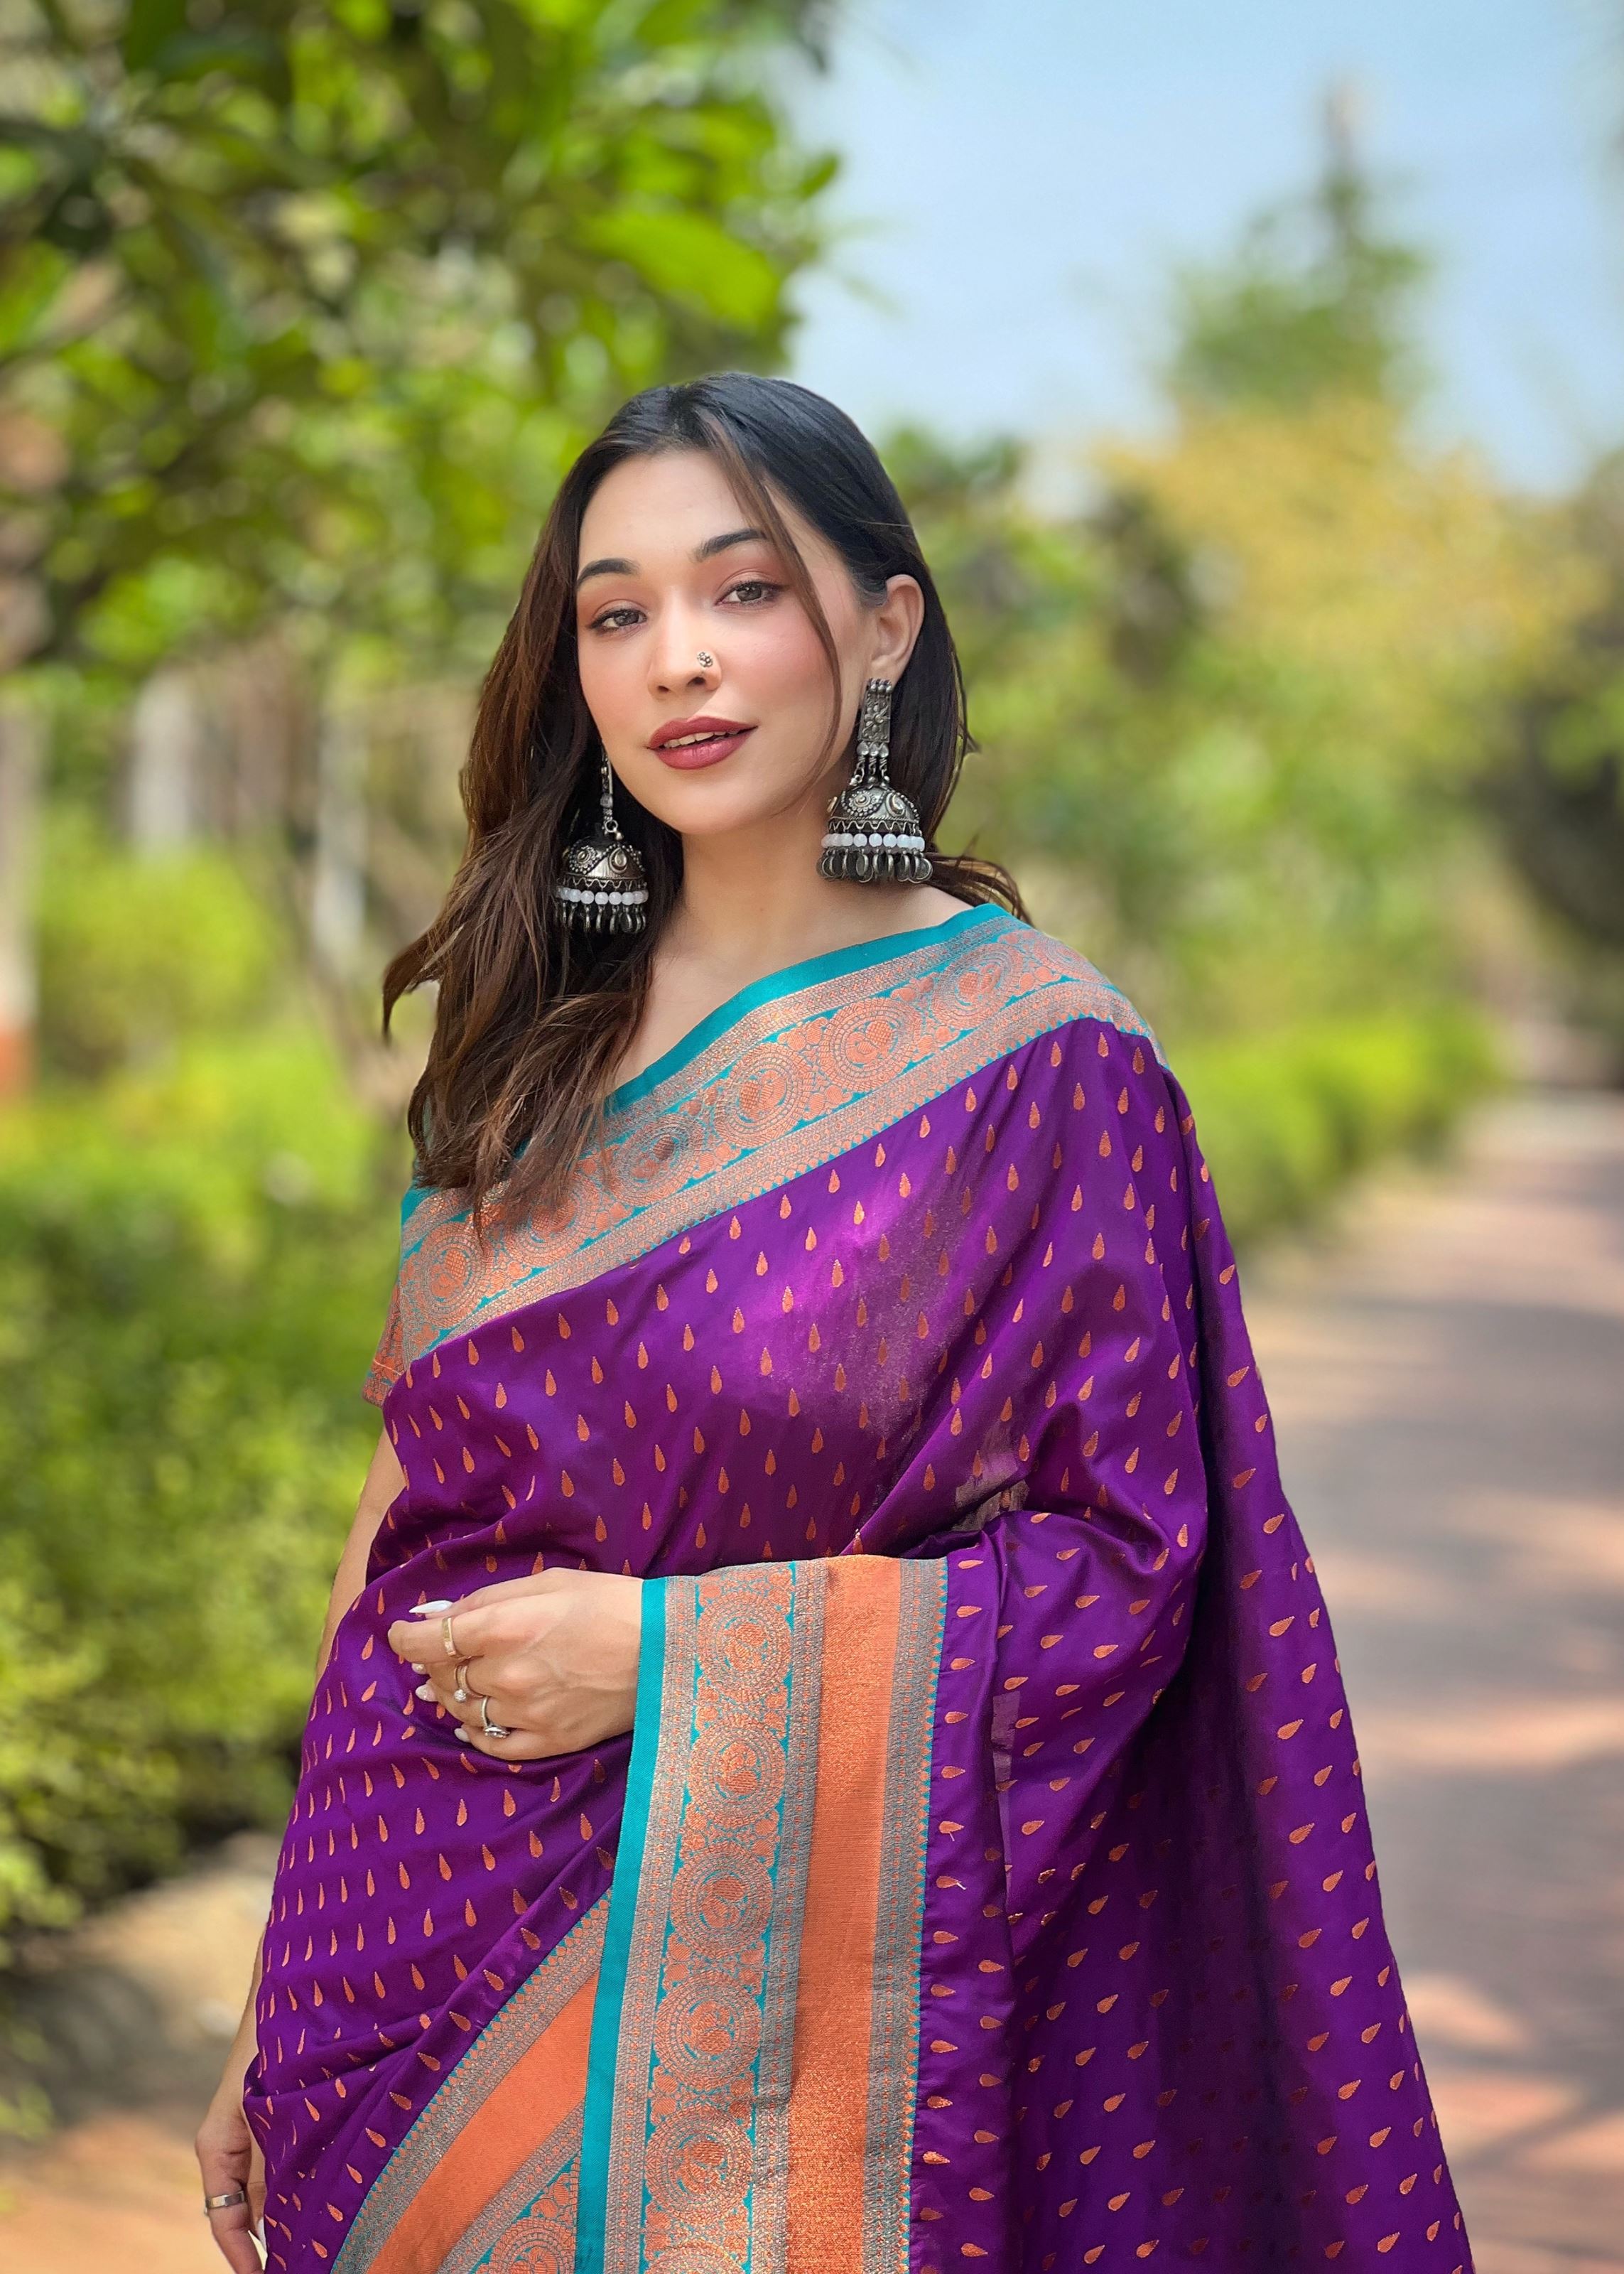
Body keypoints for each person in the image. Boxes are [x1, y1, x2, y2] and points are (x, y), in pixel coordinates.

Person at [195, 372, 1471, 2274]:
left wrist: (669, 1661)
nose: (677, 659)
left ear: (883, 627)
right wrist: (263, 2000)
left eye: (743, 590)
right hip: (393, 1951)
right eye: (615, 613)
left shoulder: (1040, 1064)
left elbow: (1132, 1569)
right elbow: (402, 1508)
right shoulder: (528, 1033)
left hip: (756, 2037)